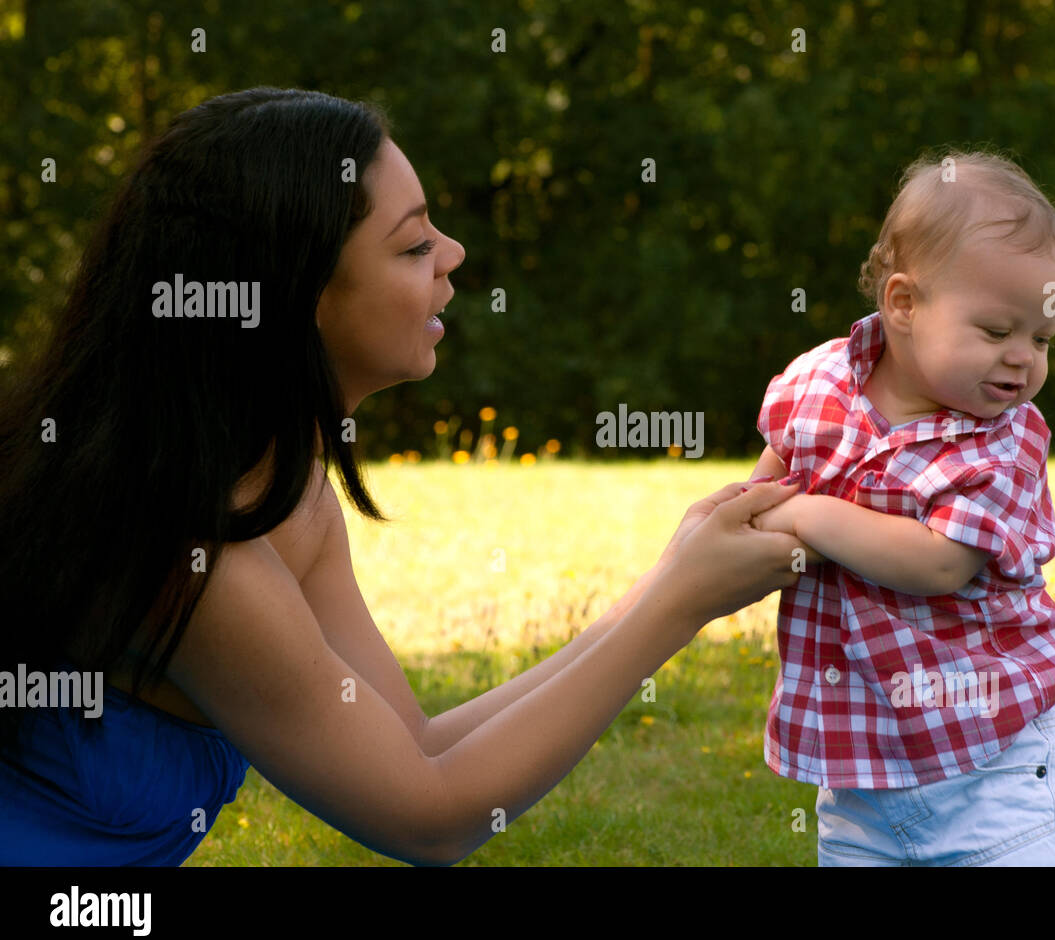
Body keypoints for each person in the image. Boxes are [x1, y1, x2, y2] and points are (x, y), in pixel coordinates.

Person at [0, 87, 812, 866]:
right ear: (302, 296)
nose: (453, 256)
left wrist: (671, 576)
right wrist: (682, 603)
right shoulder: (193, 550)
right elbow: (429, 819)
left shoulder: (286, 490)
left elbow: (416, 746)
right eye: (415, 244)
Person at [747, 150, 1055, 866]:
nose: (1023, 358)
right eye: (998, 331)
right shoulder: (819, 384)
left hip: (991, 768)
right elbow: (765, 493)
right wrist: (750, 520)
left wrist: (811, 518)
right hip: (861, 768)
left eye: (1042, 338)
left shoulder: (1006, 443)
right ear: (903, 304)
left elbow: (940, 561)